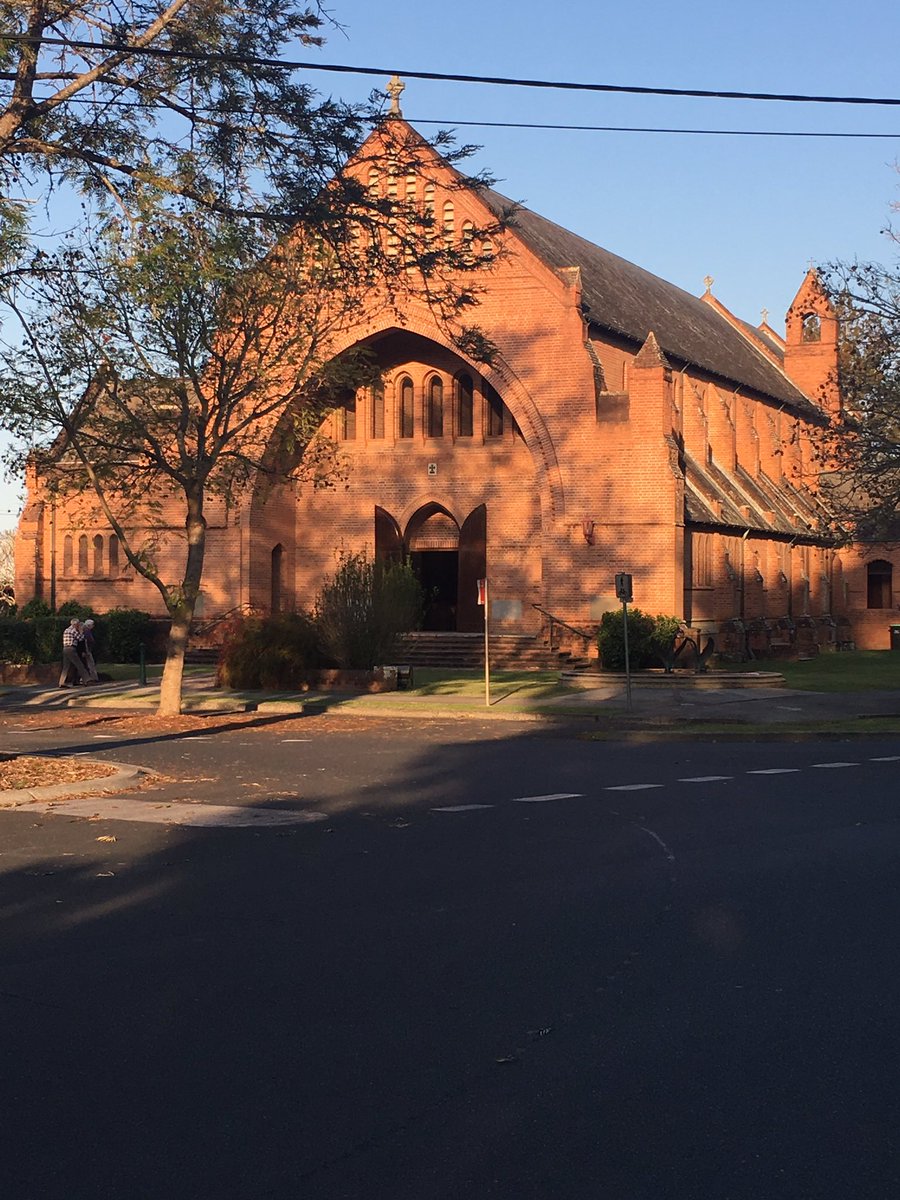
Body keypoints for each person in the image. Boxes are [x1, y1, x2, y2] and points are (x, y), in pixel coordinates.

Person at [59, 618, 91, 687]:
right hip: (71, 648)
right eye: (78, 624)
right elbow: (80, 638)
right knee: (79, 664)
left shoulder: (66, 630)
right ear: (75, 624)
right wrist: (81, 632)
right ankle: (87, 680)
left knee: (66, 666)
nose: (79, 625)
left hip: (65, 648)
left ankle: (62, 682)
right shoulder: (73, 630)